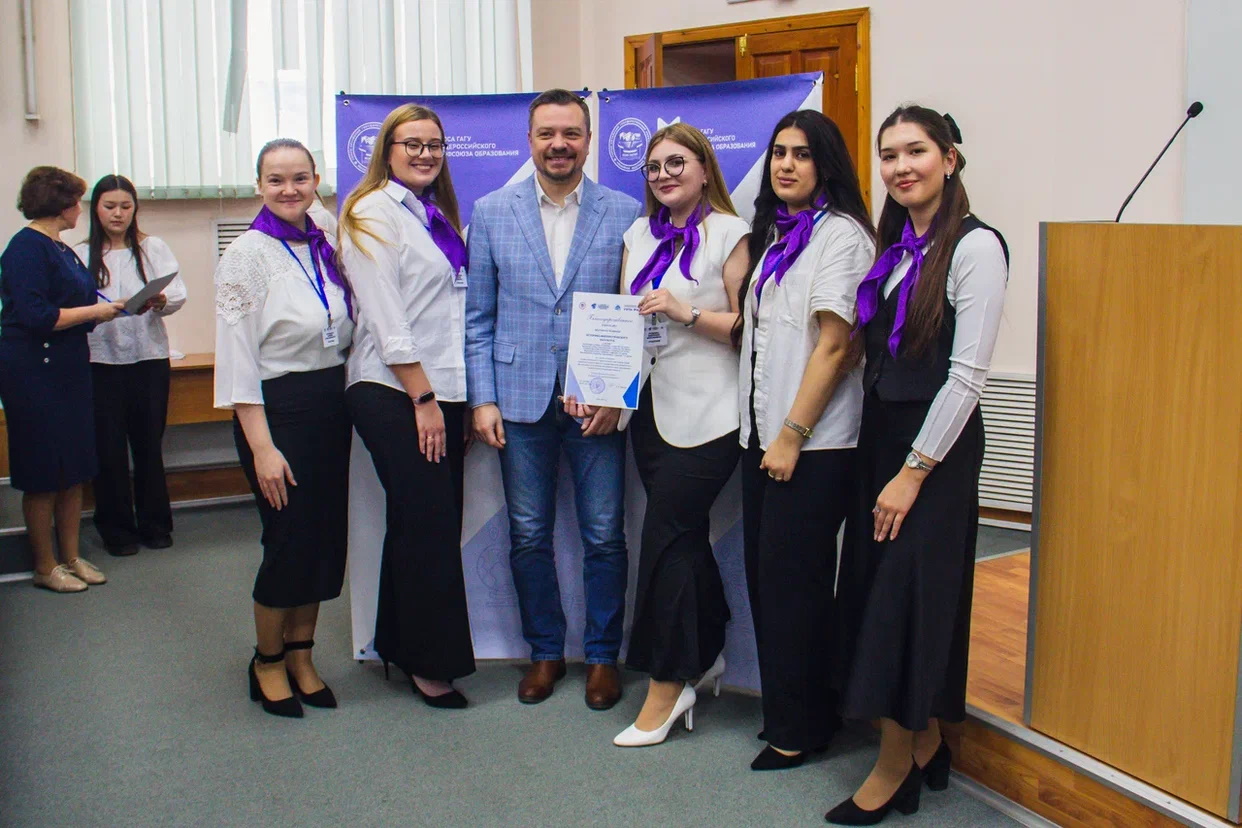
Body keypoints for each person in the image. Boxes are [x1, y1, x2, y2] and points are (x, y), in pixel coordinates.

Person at [828, 107, 1008, 825]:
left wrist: (914, 471)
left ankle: (894, 764)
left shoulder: (976, 247)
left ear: (950, 159)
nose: (901, 167)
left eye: (916, 151)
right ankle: (927, 739)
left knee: (905, 598)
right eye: (889, 155)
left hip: (936, 448)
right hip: (882, 437)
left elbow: (966, 379)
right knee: (880, 589)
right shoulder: (895, 246)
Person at [563, 123, 748, 745]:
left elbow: (750, 329)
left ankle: (666, 686)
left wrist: (685, 311)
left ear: (704, 168)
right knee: (683, 538)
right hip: (650, 412)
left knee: (666, 539)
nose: (663, 175)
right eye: (654, 167)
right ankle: (706, 650)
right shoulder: (637, 235)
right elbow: (622, 327)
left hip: (715, 412)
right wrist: (599, 388)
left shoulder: (732, 232)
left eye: (676, 163)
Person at [465, 88, 641, 710]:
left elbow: (633, 314)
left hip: (597, 404)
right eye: (547, 134)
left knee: (605, 536)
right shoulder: (492, 211)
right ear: (530, 140)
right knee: (528, 535)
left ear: (589, 141)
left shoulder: (626, 212)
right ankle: (544, 651)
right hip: (518, 400)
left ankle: (602, 657)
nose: (558, 144)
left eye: (571, 133)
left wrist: (619, 396)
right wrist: (482, 399)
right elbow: (478, 318)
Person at [736, 111, 875, 772]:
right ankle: (795, 710)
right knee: (770, 583)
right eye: (778, 153)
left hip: (813, 446)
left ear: (826, 164)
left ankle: (803, 727)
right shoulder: (779, 235)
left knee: (794, 586)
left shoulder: (841, 236)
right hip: (763, 438)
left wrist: (792, 434)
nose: (785, 165)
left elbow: (837, 345)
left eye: (801, 154)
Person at [338, 103, 476, 708]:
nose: (424, 154)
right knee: (429, 527)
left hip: (437, 390)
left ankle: (398, 642)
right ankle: (429, 663)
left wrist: (453, 399)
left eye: (434, 144)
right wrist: (423, 397)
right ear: (387, 152)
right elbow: (386, 317)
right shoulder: (371, 212)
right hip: (394, 390)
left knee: (425, 521)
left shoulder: (431, 215)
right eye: (411, 144)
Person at [214, 139, 355, 718]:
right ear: (259, 186)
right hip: (275, 415)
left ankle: (301, 655)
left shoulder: (324, 237)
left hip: (330, 409)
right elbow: (238, 363)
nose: (289, 189)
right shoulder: (246, 255)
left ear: (316, 180)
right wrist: (263, 449)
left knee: (323, 542)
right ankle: (267, 662)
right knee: (288, 543)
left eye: (300, 178)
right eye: (276, 180)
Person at [0, 166, 124, 593]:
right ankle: (44, 564)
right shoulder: (25, 248)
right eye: (77, 201)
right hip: (35, 371)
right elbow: (37, 316)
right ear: (62, 204)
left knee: (74, 468)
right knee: (42, 471)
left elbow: (79, 303)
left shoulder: (60, 248)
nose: (80, 209)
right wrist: (96, 312)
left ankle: (70, 556)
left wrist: (113, 309)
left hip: (69, 367)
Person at [74, 174, 186, 557]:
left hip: (148, 359)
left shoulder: (153, 247)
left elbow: (177, 292)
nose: (118, 214)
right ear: (96, 209)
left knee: (148, 445)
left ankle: (156, 525)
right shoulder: (81, 253)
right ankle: (117, 530)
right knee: (109, 449)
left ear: (135, 208)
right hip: (100, 361)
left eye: (125, 206)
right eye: (109, 206)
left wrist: (161, 300)